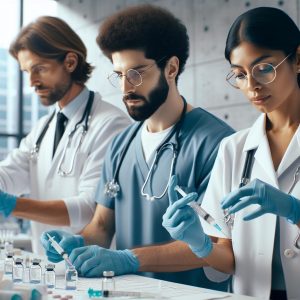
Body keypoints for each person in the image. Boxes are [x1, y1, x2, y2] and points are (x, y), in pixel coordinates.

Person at [41, 5, 234, 289]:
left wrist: (128, 259)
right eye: (119, 74)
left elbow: (216, 247)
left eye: (136, 73)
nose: (125, 88)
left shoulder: (217, 143)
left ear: (171, 68)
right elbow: (103, 227)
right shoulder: (121, 144)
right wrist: (78, 241)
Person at [162, 6, 300, 300]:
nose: (251, 86)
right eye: (239, 74)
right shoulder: (234, 149)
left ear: (298, 59)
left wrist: (294, 210)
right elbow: (228, 258)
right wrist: (200, 244)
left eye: (264, 68)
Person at [1, 16, 130, 254]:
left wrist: (12, 205)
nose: (31, 82)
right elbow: (8, 176)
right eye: (27, 71)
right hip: (48, 272)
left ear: (70, 62)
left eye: (39, 69)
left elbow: (91, 209)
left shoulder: (111, 125)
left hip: (93, 271)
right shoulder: (41, 130)